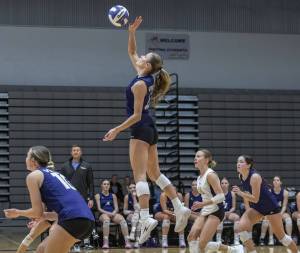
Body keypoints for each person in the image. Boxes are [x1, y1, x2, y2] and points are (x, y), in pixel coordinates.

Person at [102, 16, 190, 244]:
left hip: (141, 127)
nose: (139, 57)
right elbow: (131, 52)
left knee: (140, 175)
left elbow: (136, 115)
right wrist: (131, 32)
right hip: (150, 127)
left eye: (143, 57)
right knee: (155, 174)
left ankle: (145, 217)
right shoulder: (144, 75)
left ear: (148, 65)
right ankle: (180, 207)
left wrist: (117, 129)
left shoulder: (141, 84)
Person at [4, 146, 94, 253]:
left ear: (33, 160)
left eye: (27, 155)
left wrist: (18, 213)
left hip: (73, 219)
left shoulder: (33, 176)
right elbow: (48, 215)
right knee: (41, 249)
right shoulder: (56, 175)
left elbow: (37, 213)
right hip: (87, 221)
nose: (26, 158)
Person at [232, 155, 298, 253]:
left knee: (281, 237)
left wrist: (240, 193)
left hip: (270, 206)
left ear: (248, 165)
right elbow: (251, 197)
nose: (238, 163)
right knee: (241, 229)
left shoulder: (255, 177)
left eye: (241, 162)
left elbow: (255, 198)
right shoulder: (240, 175)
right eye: (238, 161)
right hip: (258, 207)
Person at [187, 149, 243, 253]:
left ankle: (233, 250)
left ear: (207, 160)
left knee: (202, 244)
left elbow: (221, 196)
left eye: (198, 156)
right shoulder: (199, 178)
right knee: (191, 238)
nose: (195, 158)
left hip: (216, 211)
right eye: (195, 156)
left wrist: (202, 204)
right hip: (206, 210)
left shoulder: (211, 175)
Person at [60, 145, 96, 250]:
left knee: (84, 219)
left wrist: (91, 198)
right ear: (71, 153)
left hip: (83, 198)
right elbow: (61, 183)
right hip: (69, 199)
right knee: (72, 220)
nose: (76, 152)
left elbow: (91, 184)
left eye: (78, 150)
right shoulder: (64, 166)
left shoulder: (87, 166)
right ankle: (72, 243)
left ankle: (86, 242)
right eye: (74, 150)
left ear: (81, 152)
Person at [95, 179, 131, 249]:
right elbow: (99, 209)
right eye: (104, 184)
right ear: (101, 185)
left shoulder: (113, 195)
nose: (106, 185)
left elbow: (116, 208)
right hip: (103, 214)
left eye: (108, 184)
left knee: (123, 220)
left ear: (109, 186)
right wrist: (109, 213)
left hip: (112, 213)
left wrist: (113, 213)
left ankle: (127, 242)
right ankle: (106, 243)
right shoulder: (98, 195)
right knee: (106, 220)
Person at [259, 176, 292, 246]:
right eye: (274, 180)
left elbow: (284, 206)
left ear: (281, 182)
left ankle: (289, 238)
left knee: (288, 219)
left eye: (277, 180)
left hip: (281, 211)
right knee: (267, 220)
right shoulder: (270, 192)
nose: (275, 181)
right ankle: (265, 239)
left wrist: (280, 214)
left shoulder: (285, 193)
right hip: (272, 211)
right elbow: (267, 205)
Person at [216, 177, 240, 245]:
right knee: (219, 218)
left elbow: (233, 207)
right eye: (222, 183)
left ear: (228, 184)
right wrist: (222, 212)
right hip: (221, 212)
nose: (224, 184)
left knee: (237, 217)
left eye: (226, 183)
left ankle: (236, 239)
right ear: (220, 184)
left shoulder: (232, 194)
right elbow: (216, 207)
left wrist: (229, 212)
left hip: (229, 212)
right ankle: (218, 239)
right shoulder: (218, 194)